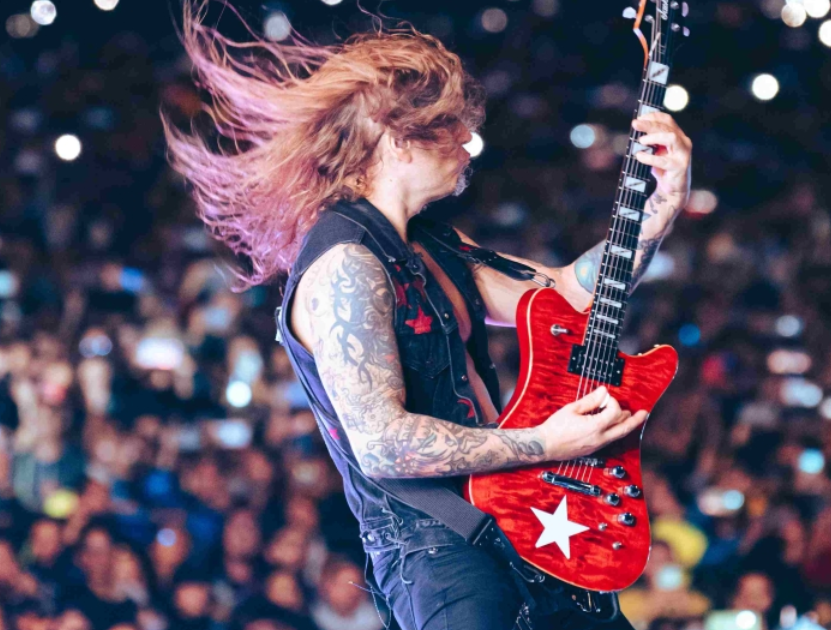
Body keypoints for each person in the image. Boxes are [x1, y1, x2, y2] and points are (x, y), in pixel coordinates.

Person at [163, 1, 691, 627]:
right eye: (449, 127)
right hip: (436, 549)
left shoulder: (433, 245)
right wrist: (547, 442)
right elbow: (382, 444)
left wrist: (660, 208)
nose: (467, 142)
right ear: (396, 138)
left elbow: (570, 294)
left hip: (519, 516)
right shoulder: (345, 264)